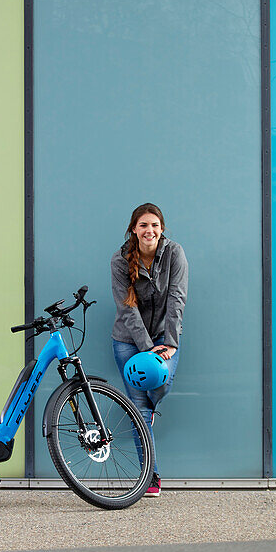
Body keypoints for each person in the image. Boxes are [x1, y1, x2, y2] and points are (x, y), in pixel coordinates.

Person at [111, 203, 188, 497]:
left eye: (154, 225)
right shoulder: (120, 260)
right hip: (128, 341)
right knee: (138, 409)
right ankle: (150, 477)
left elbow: (177, 300)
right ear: (134, 229)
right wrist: (147, 350)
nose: (149, 231)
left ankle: (151, 407)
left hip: (165, 337)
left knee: (162, 382)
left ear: (162, 229)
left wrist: (168, 343)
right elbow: (127, 309)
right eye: (143, 225)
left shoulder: (174, 254)